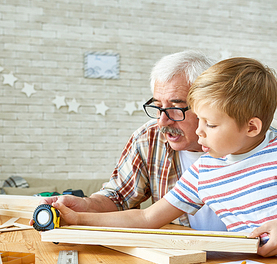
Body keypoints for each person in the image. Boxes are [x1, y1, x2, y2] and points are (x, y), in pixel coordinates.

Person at [52, 57, 277, 264]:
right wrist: (79, 219)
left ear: (252, 127)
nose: (200, 131)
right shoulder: (205, 171)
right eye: (199, 120)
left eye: (210, 123)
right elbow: (147, 217)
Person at [36, 50, 223, 229]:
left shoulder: (245, 146)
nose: (162, 120)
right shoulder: (149, 138)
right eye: (158, 107)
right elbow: (122, 199)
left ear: (208, 104)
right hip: (184, 255)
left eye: (176, 107)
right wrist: (86, 206)